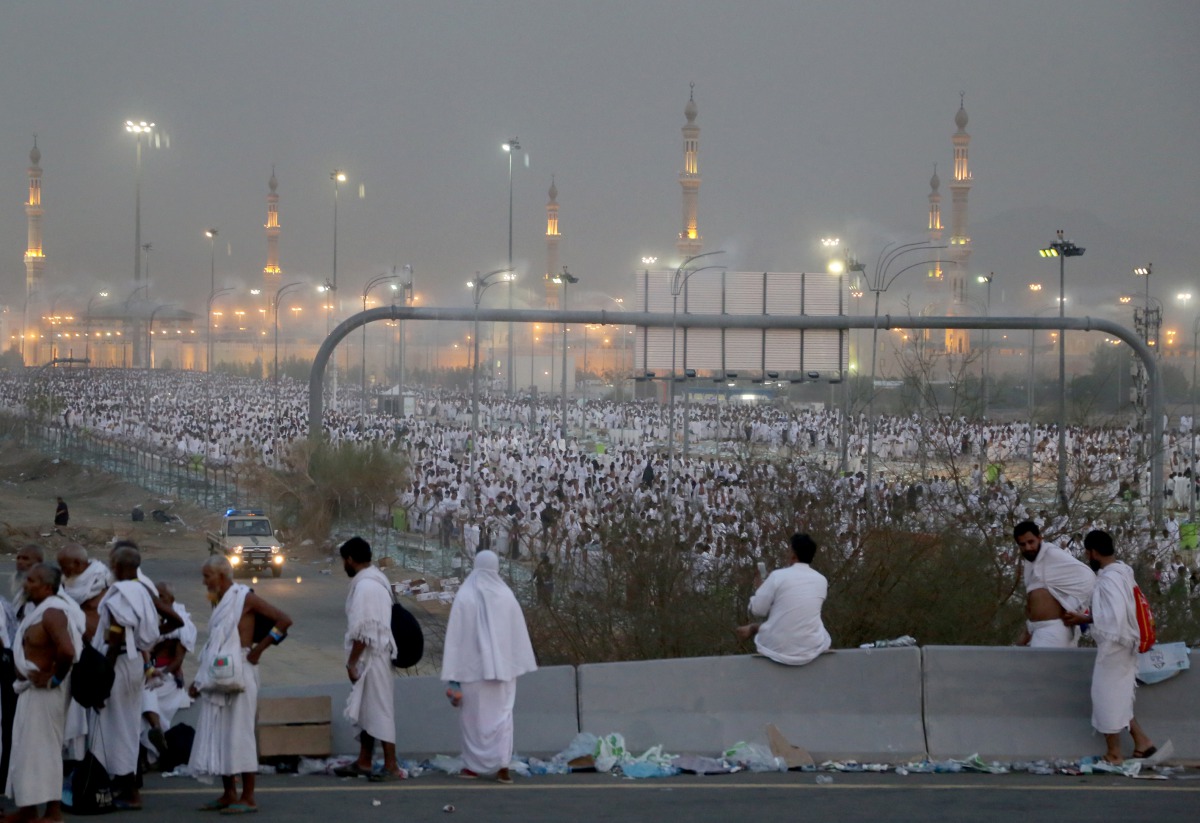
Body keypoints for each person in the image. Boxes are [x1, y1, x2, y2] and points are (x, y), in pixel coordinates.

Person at [188, 555, 292, 814]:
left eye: (207, 577)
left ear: (222, 576)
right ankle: (228, 793)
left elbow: (284, 620)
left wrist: (259, 651)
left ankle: (248, 797)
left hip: (242, 671)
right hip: (218, 672)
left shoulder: (244, 596)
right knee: (221, 731)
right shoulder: (219, 600)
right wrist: (200, 679)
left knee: (240, 734)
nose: (204, 582)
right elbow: (215, 642)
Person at [91, 546, 182, 810]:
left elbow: (117, 633)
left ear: (117, 567)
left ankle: (130, 792)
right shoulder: (144, 590)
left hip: (118, 662)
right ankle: (124, 786)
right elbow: (176, 621)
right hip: (134, 663)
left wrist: (103, 676)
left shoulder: (121, 593)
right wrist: (149, 636)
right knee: (128, 725)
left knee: (117, 727)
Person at [441, 550, 537, 784]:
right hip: (503, 672)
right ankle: (502, 767)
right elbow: (516, 636)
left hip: (472, 672)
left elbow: (456, 639)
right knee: (502, 717)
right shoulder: (506, 596)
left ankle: (473, 767)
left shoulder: (465, 596)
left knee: (472, 719)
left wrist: (453, 675)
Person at [1063, 530, 1157, 765]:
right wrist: (1084, 619)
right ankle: (1143, 743)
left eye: (1087, 553)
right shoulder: (1123, 572)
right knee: (1119, 698)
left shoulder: (1108, 579)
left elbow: (1114, 617)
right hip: (1126, 645)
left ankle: (1114, 753)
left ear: (1093, 552)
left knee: (1105, 698)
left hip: (1116, 646)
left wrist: (1091, 621)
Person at [6, 564, 83, 823]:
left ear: (47, 587)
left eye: (32, 580)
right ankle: (28, 810)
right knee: (27, 751)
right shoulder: (38, 611)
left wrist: (55, 678)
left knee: (45, 751)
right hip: (30, 691)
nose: (26, 583)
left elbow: (68, 651)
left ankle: (53, 813)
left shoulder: (53, 613)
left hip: (45, 694)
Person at [336, 537, 404, 782]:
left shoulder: (366, 587)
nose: (343, 565)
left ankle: (391, 765)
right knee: (367, 710)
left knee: (379, 710)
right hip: (374, 655)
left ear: (351, 560)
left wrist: (351, 663)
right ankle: (364, 761)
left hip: (373, 657)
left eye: (344, 560)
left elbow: (364, 632)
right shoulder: (376, 579)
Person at [736, 533, 832, 666]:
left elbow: (758, 610)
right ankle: (756, 628)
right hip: (811, 649)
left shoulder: (777, 576)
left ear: (793, 555)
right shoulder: (822, 580)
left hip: (776, 650)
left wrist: (759, 591)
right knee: (819, 629)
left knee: (781, 626)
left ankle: (755, 629)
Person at [1013, 520, 1095, 648]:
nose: (1028, 547)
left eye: (1031, 542)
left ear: (1040, 538)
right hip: (1036, 629)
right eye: (1022, 544)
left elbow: (1088, 577)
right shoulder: (1030, 562)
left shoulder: (1053, 555)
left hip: (1053, 630)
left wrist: (1072, 607)